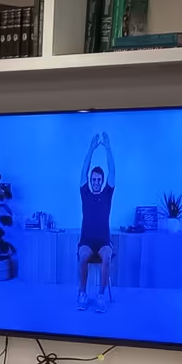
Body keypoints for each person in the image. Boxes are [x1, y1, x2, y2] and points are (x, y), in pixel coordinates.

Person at [75, 132, 115, 311]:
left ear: (102, 181)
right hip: (87, 242)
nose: (97, 182)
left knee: (106, 257)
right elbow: (84, 169)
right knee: (83, 257)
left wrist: (108, 148)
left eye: (99, 179)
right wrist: (91, 149)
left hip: (104, 242)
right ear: (91, 181)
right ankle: (82, 294)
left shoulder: (107, 194)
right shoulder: (86, 194)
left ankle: (100, 296)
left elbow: (113, 170)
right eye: (94, 179)